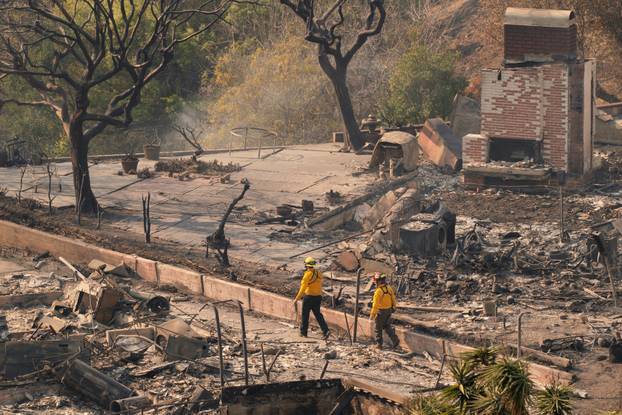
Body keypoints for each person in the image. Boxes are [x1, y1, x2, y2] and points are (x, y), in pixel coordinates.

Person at [292, 257, 330, 339]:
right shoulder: (319, 273)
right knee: (318, 315)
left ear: (306, 265)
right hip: (318, 297)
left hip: (309, 297)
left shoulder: (307, 275)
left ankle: (303, 333)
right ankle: (326, 330)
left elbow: (303, 288)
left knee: (305, 315)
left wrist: (296, 299)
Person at [369, 273, 399, 350]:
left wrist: (372, 315)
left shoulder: (378, 291)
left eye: (375, 281)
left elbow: (375, 305)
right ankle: (395, 340)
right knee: (387, 326)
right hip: (389, 311)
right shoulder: (389, 288)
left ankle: (379, 345)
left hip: (381, 312)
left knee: (378, 329)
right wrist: (394, 307)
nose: (375, 283)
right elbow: (393, 298)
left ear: (379, 281)